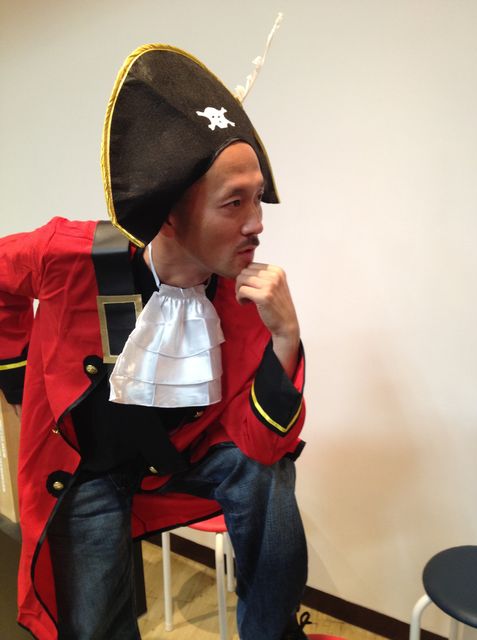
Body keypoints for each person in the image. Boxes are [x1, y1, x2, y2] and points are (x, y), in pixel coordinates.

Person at [0, 44, 310, 640]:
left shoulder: (243, 299)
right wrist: (15, 375)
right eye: (234, 203)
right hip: (87, 466)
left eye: (257, 198)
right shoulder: (68, 256)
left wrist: (286, 338)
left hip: (179, 456)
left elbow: (261, 444)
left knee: (267, 473)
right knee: (95, 625)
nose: (257, 223)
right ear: (168, 215)